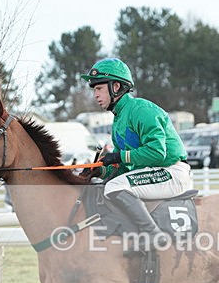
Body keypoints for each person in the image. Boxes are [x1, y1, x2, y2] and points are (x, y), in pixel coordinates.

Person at [80, 58, 192, 252]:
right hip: (154, 172)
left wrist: (118, 157)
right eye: (94, 90)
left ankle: (153, 234)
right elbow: (124, 168)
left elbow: (157, 152)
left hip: (171, 172)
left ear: (116, 87)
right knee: (108, 184)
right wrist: (101, 171)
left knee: (114, 187)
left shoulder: (142, 110)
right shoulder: (118, 121)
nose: (95, 95)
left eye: (99, 89)